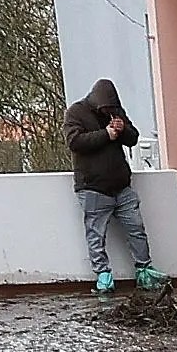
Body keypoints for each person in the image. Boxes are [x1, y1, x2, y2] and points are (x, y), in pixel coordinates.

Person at [69, 81, 154, 294]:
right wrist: (106, 134)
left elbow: (133, 138)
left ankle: (144, 269)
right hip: (93, 188)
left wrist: (123, 129)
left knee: (136, 229)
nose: (109, 112)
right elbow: (75, 142)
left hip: (121, 187)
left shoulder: (116, 112)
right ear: (97, 103)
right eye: (106, 109)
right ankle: (103, 276)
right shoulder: (76, 112)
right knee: (96, 234)